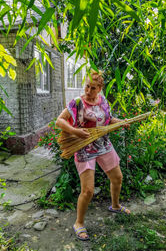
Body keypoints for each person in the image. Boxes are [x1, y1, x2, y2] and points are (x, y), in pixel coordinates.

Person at [56, 69, 131, 241]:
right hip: (84, 148)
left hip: (103, 144)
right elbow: (59, 121)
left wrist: (121, 122)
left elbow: (108, 119)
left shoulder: (103, 101)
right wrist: (76, 131)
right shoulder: (77, 103)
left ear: (100, 89)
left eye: (93, 88)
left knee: (117, 178)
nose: (88, 91)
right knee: (88, 190)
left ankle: (115, 205)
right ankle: (78, 223)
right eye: (87, 87)